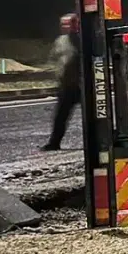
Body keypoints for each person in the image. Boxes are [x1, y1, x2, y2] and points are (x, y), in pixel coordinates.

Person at [42, 13, 82, 151]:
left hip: (83, 85)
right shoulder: (60, 41)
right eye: (63, 24)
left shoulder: (83, 39)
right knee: (60, 117)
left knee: (93, 118)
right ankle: (54, 143)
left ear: (76, 25)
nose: (66, 27)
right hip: (66, 86)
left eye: (69, 24)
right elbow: (54, 59)